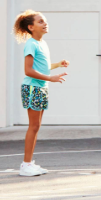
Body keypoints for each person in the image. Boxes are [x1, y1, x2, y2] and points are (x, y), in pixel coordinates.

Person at [13, 10, 68, 177]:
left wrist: (57, 64)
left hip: (41, 88)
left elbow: (42, 67)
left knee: (36, 127)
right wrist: (50, 79)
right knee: (34, 126)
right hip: (33, 88)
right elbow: (28, 70)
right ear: (31, 27)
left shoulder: (42, 44)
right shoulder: (31, 44)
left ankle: (29, 163)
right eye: (40, 21)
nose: (45, 24)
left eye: (45, 21)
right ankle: (26, 165)